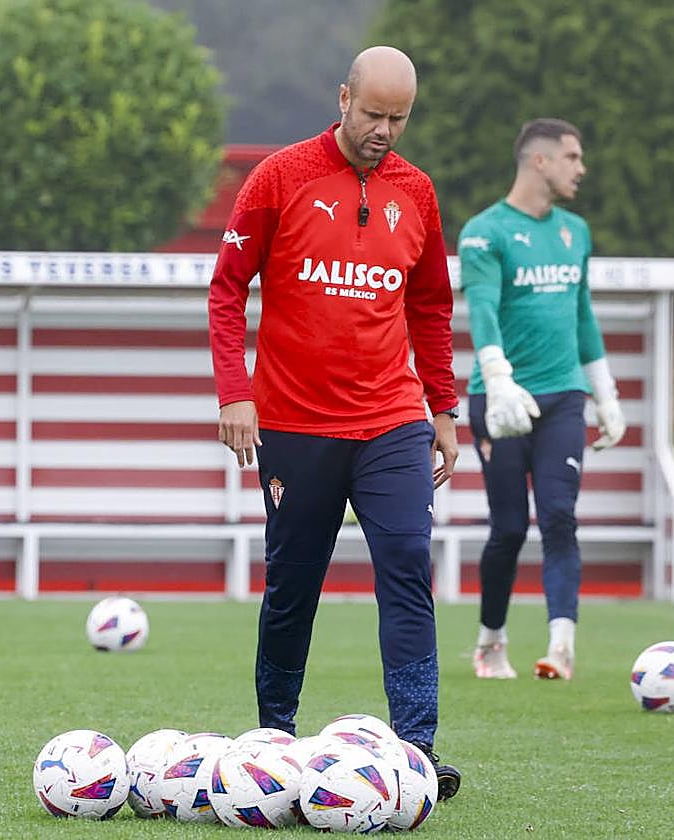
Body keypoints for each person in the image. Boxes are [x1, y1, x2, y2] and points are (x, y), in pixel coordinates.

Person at [207, 45, 462, 800]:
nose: (385, 130)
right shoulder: (280, 177)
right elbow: (227, 290)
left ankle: (415, 750)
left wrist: (443, 408)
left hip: (391, 420)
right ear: (344, 97)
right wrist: (234, 392)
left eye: (399, 118)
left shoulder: (417, 192)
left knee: (409, 565)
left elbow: (431, 308)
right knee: (293, 585)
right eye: (374, 113)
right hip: (293, 425)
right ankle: (274, 742)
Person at [458, 118, 627, 682]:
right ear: (540, 161)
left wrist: (605, 394)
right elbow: (481, 307)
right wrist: (497, 376)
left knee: (559, 517)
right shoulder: (485, 232)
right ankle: (491, 642)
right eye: (572, 157)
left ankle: (561, 647)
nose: (581, 168)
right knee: (508, 528)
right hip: (500, 401)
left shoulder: (574, 231)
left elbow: (582, 314)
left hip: (562, 399)